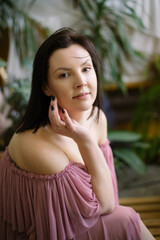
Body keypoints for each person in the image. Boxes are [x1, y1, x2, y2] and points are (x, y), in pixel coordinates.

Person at [0, 27, 155, 240]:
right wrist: (85, 141)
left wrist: (84, 137)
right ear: (46, 87)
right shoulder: (36, 143)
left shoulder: (97, 117)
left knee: (125, 219)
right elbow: (104, 205)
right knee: (127, 219)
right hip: (48, 232)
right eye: (64, 74)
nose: (81, 81)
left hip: (82, 219)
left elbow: (107, 198)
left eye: (86, 68)